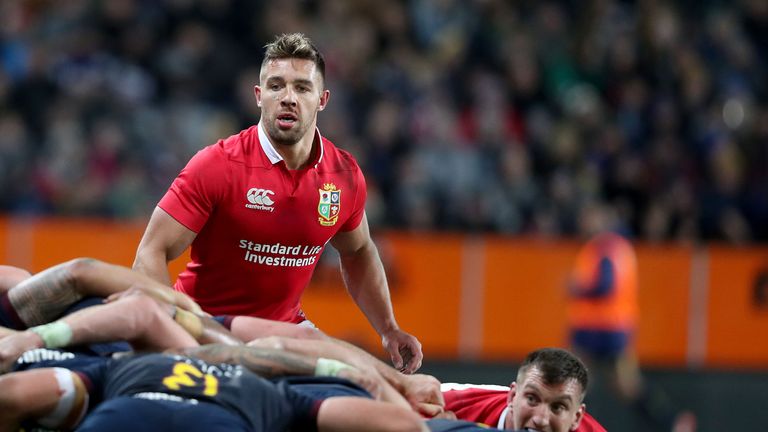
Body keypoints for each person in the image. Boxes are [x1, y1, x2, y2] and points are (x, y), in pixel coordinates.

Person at [132, 32, 422, 373]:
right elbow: (149, 253)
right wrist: (176, 330)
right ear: (258, 96)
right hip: (206, 330)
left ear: (322, 99)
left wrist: (388, 328)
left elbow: (358, 250)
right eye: (276, 86)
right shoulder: (218, 165)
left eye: (301, 87)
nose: (288, 98)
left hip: (286, 332)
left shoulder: (344, 175)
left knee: (363, 390)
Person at [567, 202, 695, 432]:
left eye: (588, 217)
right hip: (614, 328)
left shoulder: (604, 247)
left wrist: (579, 288)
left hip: (598, 329)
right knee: (624, 385)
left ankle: (670, 421)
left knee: (574, 380)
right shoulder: (619, 246)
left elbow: (605, 285)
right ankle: (671, 421)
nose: (583, 222)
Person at [442, 348, 605, 432]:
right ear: (512, 396)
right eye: (532, 399)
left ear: (576, 418)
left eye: (557, 407)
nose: (541, 420)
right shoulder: (450, 406)